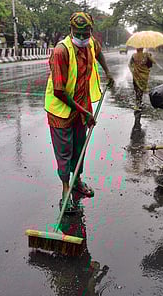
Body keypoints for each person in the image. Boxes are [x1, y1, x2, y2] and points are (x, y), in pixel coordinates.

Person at [44, 12, 115, 211]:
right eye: (78, 34)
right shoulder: (61, 52)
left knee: (79, 147)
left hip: (81, 107)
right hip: (61, 110)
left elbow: (98, 51)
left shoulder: (90, 42)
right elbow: (59, 91)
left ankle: (77, 181)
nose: (82, 38)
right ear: (71, 31)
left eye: (86, 34)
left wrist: (107, 71)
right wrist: (84, 112)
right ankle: (66, 189)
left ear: (91, 31)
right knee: (65, 152)